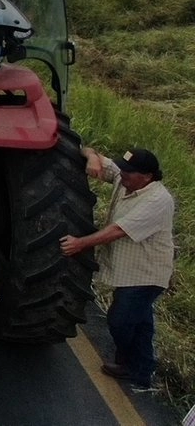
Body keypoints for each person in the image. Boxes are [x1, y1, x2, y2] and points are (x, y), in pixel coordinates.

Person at [60, 147, 174, 393]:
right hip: (128, 271)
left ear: (147, 176)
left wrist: (80, 243)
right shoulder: (126, 180)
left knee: (120, 320)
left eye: (129, 172)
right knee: (140, 322)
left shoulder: (158, 200)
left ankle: (130, 364)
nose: (122, 174)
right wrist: (92, 158)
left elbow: (118, 231)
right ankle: (140, 370)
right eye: (123, 168)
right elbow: (90, 152)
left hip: (146, 274)